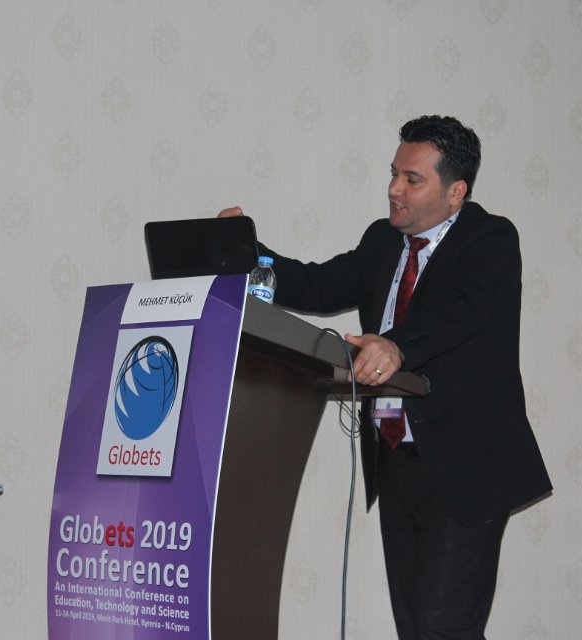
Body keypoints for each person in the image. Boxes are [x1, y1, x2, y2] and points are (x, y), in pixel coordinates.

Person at [219, 115, 552, 639]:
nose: (394, 189)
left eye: (412, 179)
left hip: (466, 465)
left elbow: (461, 312)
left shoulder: (489, 239)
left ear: (456, 191)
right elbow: (317, 285)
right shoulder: (383, 241)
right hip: (397, 461)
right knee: (415, 627)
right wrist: (243, 251)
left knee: (443, 627)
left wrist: (396, 345)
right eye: (394, 174)